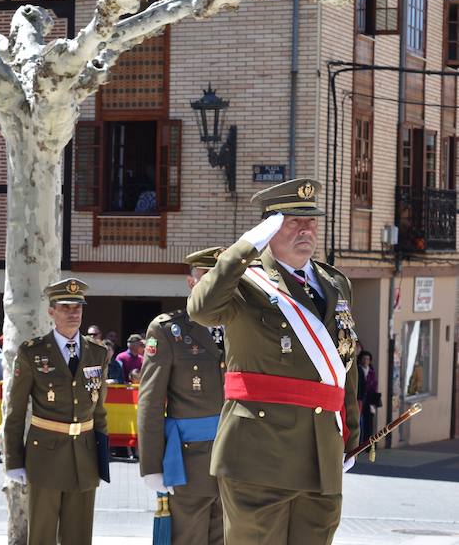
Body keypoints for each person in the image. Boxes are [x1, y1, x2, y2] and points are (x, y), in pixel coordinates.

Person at [188, 178, 360, 544]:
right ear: (269, 226)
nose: (306, 230)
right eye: (293, 221)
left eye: (311, 221)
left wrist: (350, 435)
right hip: (258, 455)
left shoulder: (335, 283)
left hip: (322, 454)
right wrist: (245, 247)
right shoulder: (245, 280)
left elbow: (345, 362)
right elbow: (201, 310)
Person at [4, 278, 109, 545]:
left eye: (78, 308)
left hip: (84, 457)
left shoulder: (97, 352)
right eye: (65, 307)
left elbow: (99, 412)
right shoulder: (33, 352)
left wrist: (102, 458)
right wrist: (14, 461)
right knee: (41, 535)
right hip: (45, 456)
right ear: (51, 312)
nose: (73, 314)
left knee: (79, 535)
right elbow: (16, 412)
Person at [138, 247, 227, 545]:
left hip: (236, 461)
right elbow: (150, 402)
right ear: (192, 283)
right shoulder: (168, 331)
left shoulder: (242, 328)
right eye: (207, 278)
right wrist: (151, 466)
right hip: (189, 464)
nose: (216, 285)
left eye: (222, 278)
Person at [357, 350, 380, 444]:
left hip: (369, 399)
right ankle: (360, 442)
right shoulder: (358, 370)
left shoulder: (371, 372)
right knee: (360, 420)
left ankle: (368, 443)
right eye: (364, 359)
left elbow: (374, 385)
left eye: (368, 359)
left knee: (369, 422)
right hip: (360, 398)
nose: (366, 361)